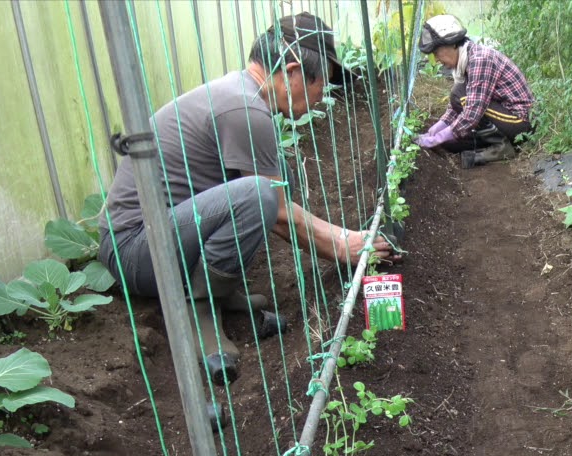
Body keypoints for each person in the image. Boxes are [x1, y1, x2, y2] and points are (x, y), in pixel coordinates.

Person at [99, 12, 392, 385]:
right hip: (136, 250)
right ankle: (200, 309)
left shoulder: (239, 95)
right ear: (292, 71)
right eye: (323, 85)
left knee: (257, 196)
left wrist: (343, 238)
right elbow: (279, 212)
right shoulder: (245, 111)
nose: (321, 100)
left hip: (160, 236)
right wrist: (343, 246)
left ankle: (215, 294)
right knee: (257, 196)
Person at [414, 15, 534, 168]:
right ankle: (493, 145)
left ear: (452, 44)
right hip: (503, 117)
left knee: (459, 96)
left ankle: (501, 148)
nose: (436, 59)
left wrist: (437, 138)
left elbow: (472, 112)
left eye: (436, 52)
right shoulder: (467, 60)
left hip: (519, 122)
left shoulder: (479, 60)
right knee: (451, 143)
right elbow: (455, 108)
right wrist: (439, 127)